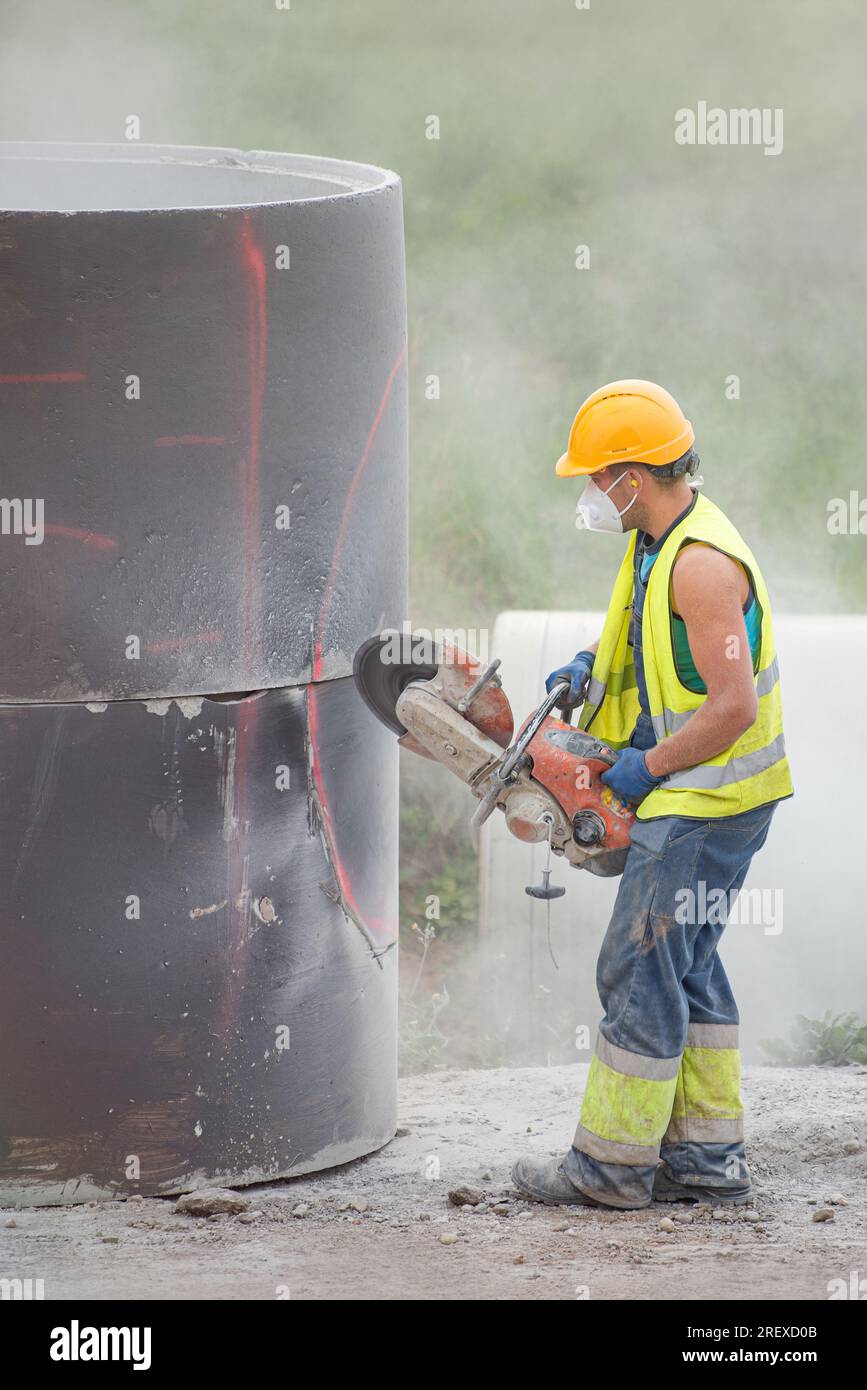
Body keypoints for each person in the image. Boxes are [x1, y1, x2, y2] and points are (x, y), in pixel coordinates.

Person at [512, 380, 793, 1209]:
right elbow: (639, 637)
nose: (592, 495)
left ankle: (608, 1170)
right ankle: (707, 1163)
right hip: (712, 796)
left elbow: (732, 707)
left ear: (634, 474)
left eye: (598, 478)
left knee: (636, 967)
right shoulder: (654, 542)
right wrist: (585, 665)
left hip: (704, 802)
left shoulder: (701, 566)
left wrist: (646, 769)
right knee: (688, 966)